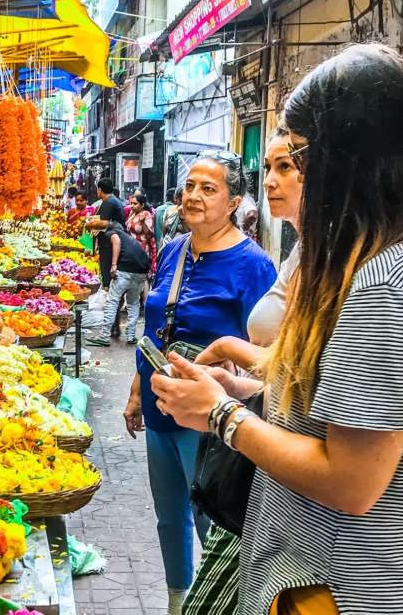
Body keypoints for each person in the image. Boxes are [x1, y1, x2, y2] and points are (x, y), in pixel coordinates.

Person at [151, 44, 403, 615]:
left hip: (357, 589)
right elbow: (356, 417)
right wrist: (255, 392)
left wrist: (220, 415)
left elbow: (351, 480)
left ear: (350, 159)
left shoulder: (389, 282)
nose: (291, 174)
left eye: (301, 155)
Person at [123, 150, 276, 615]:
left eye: (208, 189)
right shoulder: (173, 249)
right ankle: (176, 602)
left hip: (210, 418)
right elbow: (154, 328)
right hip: (158, 407)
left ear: (233, 203)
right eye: (189, 186)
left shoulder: (254, 265)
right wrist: (135, 388)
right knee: (168, 517)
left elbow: (267, 350)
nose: (193, 196)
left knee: (209, 515)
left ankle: (213, 605)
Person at [178, 128, 303, 615]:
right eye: (269, 167)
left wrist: (226, 410)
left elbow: (351, 473)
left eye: (286, 167)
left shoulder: (371, 271)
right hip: (246, 421)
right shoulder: (302, 252)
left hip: (268, 459)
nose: (272, 180)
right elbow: (297, 371)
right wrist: (238, 386)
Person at [86, 217, 150, 346]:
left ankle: (104, 337)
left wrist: (114, 265)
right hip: (141, 271)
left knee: (112, 301)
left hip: (125, 270)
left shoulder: (112, 233)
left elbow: (116, 242)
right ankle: (131, 336)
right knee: (133, 303)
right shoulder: (127, 236)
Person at [127, 192, 157, 271]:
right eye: (131, 203)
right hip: (131, 249)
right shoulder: (132, 214)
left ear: (142, 205)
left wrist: (143, 222)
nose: (132, 205)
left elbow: (149, 234)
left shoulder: (146, 214)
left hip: (141, 249)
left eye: (135, 203)